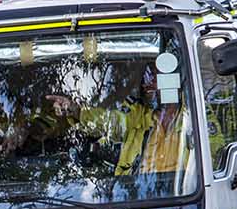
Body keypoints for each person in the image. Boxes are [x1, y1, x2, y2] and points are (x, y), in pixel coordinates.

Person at [48, 65, 190, 176]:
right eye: (146, 77)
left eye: (155, 77)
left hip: (185, 196)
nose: (147, 84)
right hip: (139, 197)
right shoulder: (135, 116)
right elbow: (107, 122)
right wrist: (76, 111)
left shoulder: (195, 117)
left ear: (174, 81)